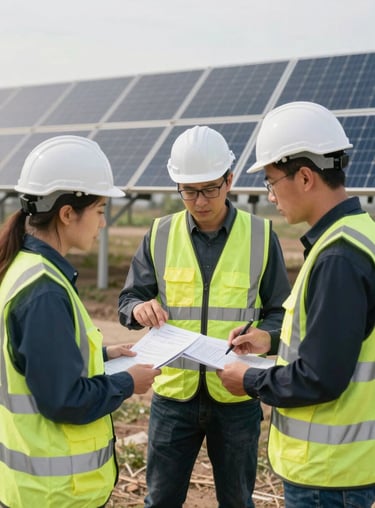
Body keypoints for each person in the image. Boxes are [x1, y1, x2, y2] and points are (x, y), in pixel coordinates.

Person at [118, 125, 291, 508]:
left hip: (235, 396)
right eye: (189, 191)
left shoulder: (262, 236)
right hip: (173, 395)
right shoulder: (159, 234)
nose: (199, 201)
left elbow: (282, 313)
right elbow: (129, 299)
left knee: (237, 501)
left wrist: (267, 335)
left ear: (229, 180)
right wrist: (138, 308)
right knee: (160, 500)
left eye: (210, 188)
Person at [217, 101, 375, 508]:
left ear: (304, 177)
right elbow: (340, 342)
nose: (270, 196)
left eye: (271, 182)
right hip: (345, 468)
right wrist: (268, 343)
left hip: (328, 474)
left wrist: (248, 381)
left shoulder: (338, 256)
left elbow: (320, 378)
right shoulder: (359, 234)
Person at [0, 135, 161, 508]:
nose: (103, 222)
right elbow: (64, 401)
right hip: (54, 494)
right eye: (100, 210)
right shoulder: (44, 292)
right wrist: (127, 382)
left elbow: (36, 362)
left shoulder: (24, 269)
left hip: (34, 488)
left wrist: (104, 355)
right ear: (68, 213)